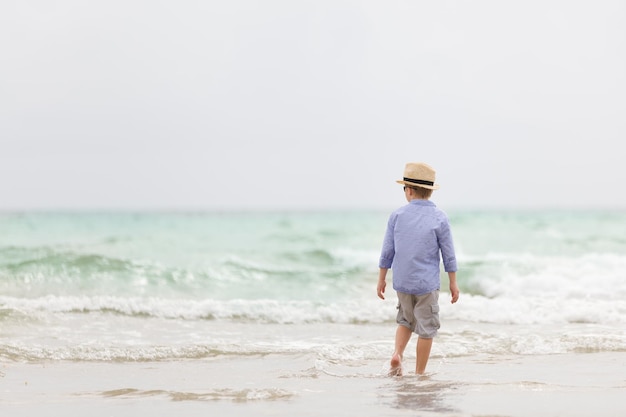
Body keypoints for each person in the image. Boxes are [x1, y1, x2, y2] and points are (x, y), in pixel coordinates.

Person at [377, 162, 459, 376]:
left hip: (402, 282)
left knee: (405, 319)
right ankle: (420, 374)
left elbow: (388, 250)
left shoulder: (397, 216)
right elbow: (448, 253)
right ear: (430, 191)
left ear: (409, 190)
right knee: (427, 329)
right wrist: (453, 282)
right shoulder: (440, 217)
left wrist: (382, 278)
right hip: (426, 284)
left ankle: (397, 354)